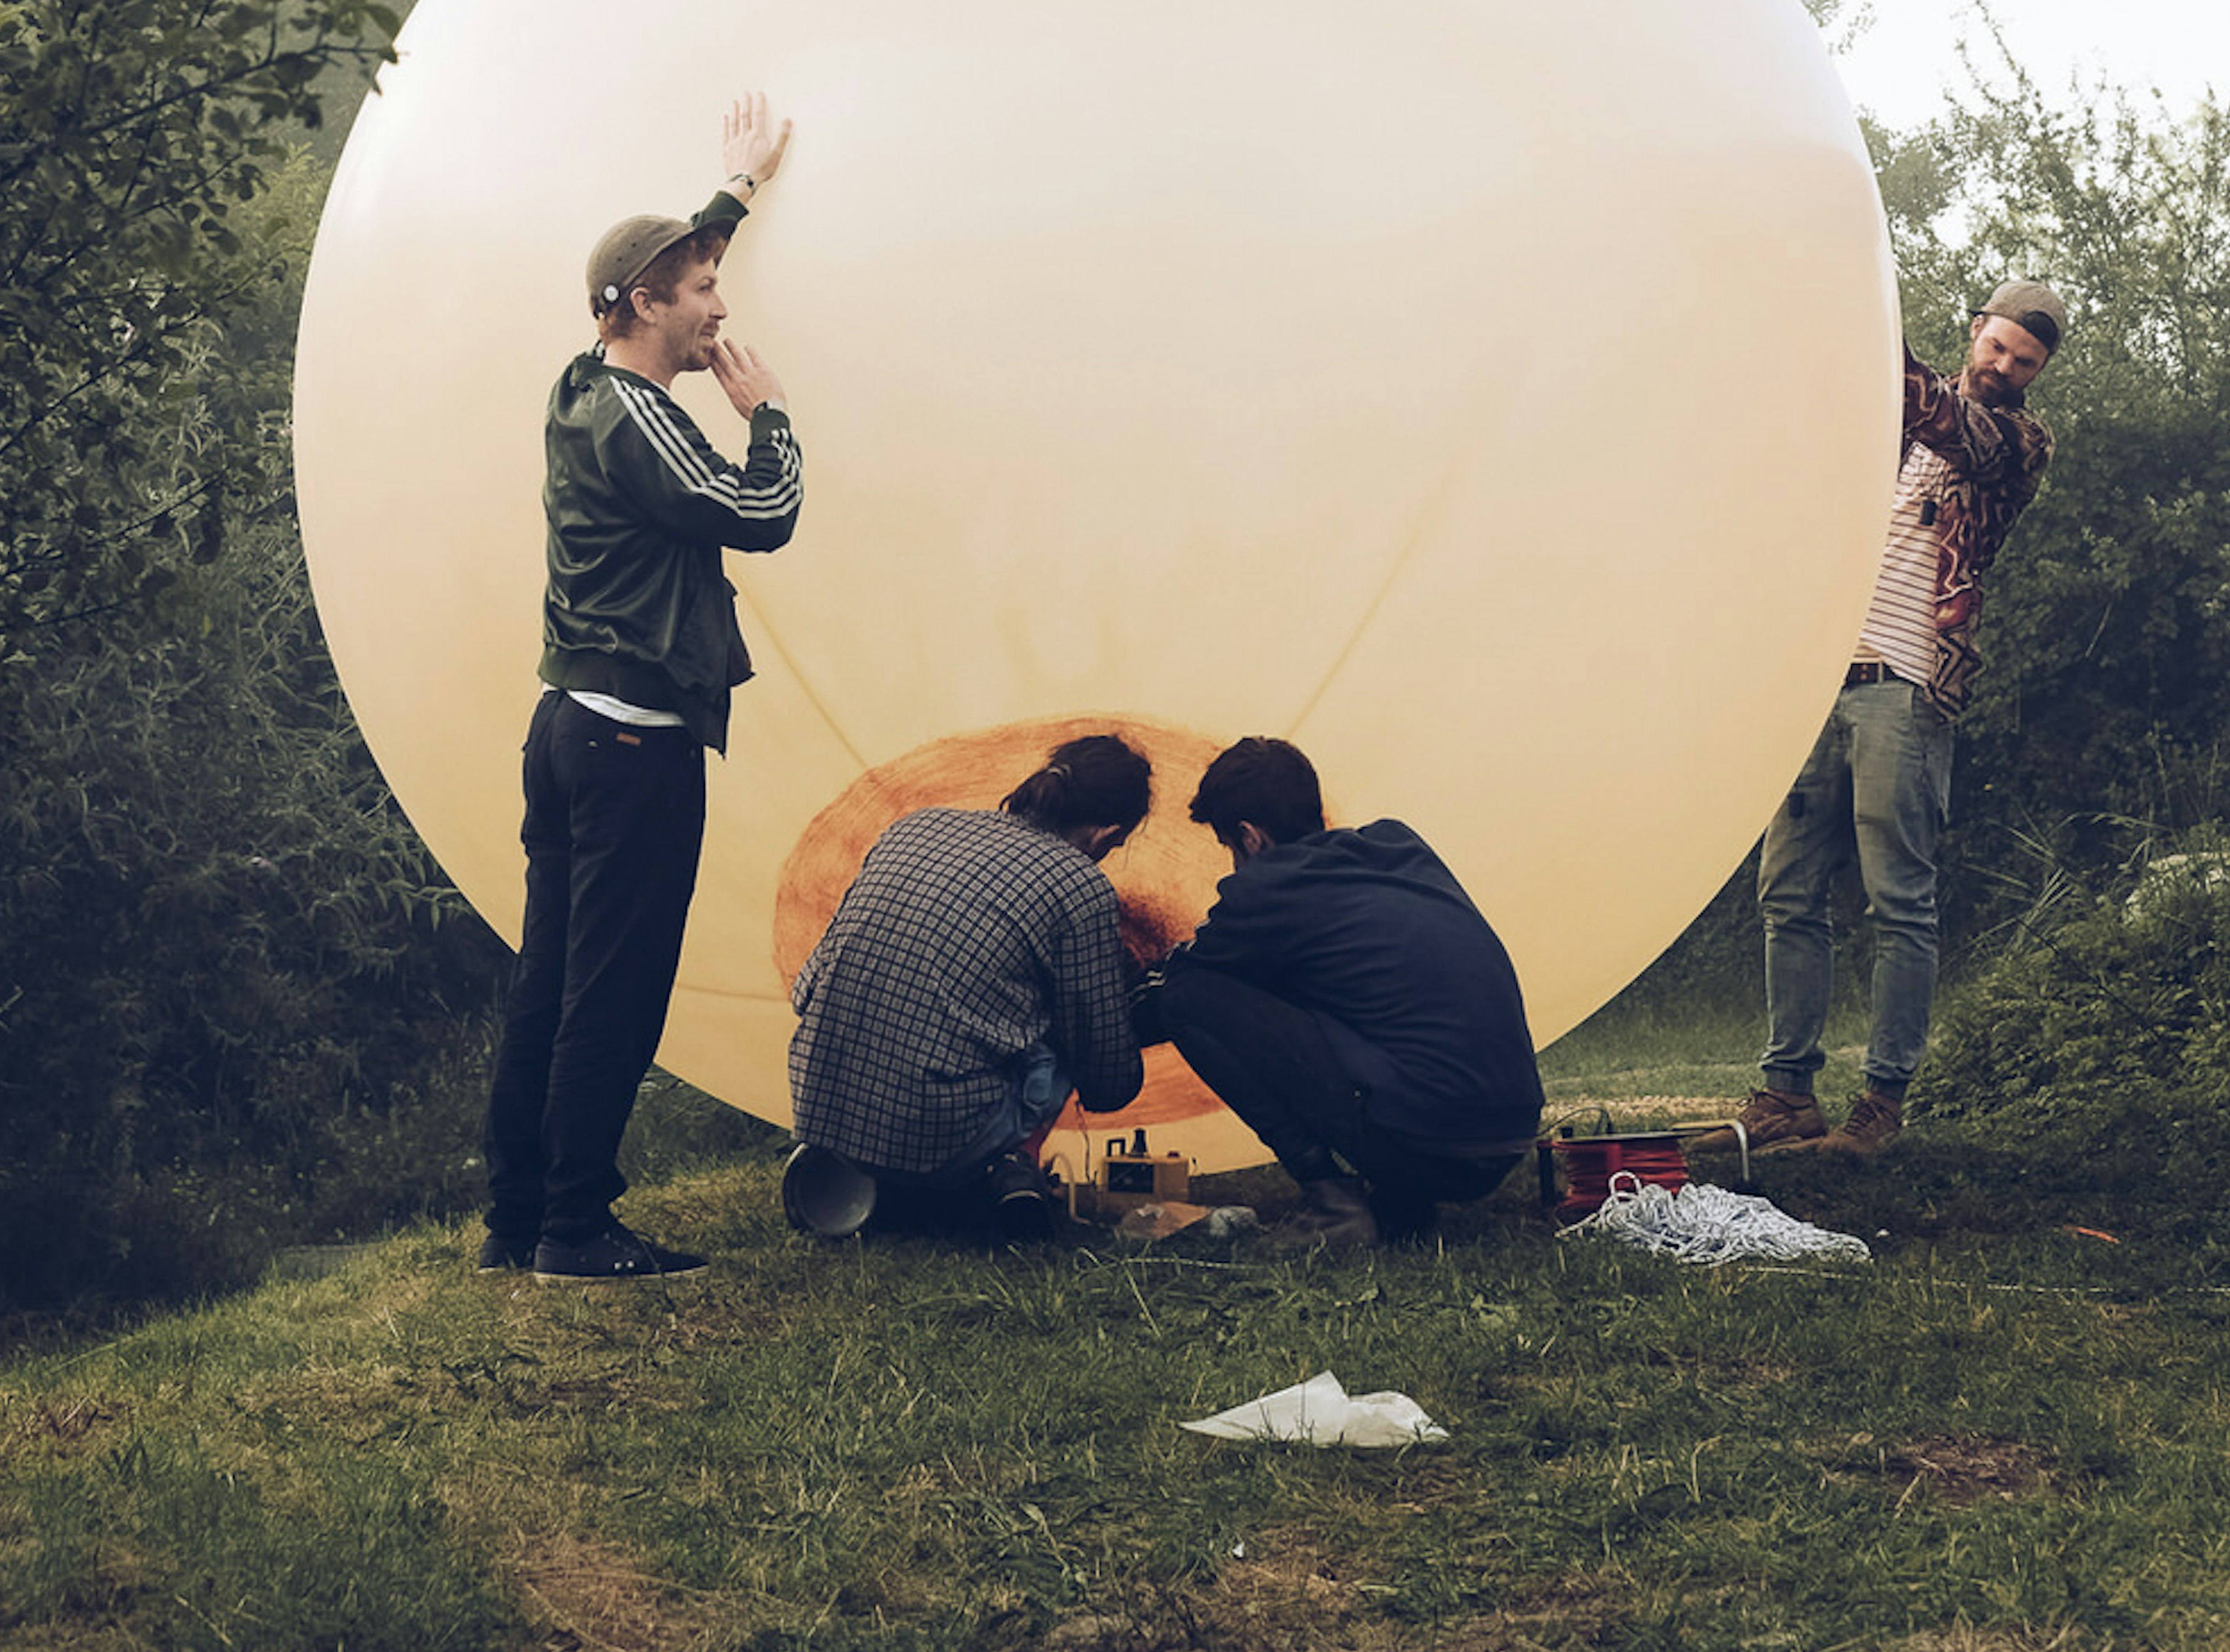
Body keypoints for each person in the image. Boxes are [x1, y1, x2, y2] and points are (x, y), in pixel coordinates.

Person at [481, 91, 801, 1281]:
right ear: (647, 310)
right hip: (631, 744)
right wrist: (767, 415)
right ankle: (575, 1224)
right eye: (701, 287)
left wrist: (736, 190)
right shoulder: (639, 417)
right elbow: (760, 513)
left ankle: (517, 1220)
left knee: (551, 978)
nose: (721, 300)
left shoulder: (582, 378)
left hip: (569, 726)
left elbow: (645, 275)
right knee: (614, 990)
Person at [1739, 279, 2064, 1162]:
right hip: (1821, 683)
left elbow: (1944, 418)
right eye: (1996, 349)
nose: (2003, 369)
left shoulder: (2017, 443)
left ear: (2037, 373)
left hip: (1911, 684)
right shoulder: (1882, 430)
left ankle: (1881, 1105)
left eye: (2023, 361)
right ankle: (1787, 1094)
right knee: (1787, 889)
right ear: (1975, 334)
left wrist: (1860, 311)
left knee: (1899, 901)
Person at [1140, 737, 1543, 1248]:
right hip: (1507, 1137)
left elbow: (1178, 987)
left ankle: (1334, 1205)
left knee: (1190, 999)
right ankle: (1400, 1199)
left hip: (1435, 1145)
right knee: (1357, 1005)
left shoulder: (1267, 891)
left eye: (1229, 849)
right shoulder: (1399, 846)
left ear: (1250, 837)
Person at [785, 732, 1152, 1241]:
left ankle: (860, 1173)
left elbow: (807, 988)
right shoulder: (1078, 884)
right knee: (1063, 1033)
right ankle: (1007, 1172)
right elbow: (1107, 1078)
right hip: (935, 1135)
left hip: (819, 1109)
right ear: (1108, 833)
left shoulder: (917, 826)